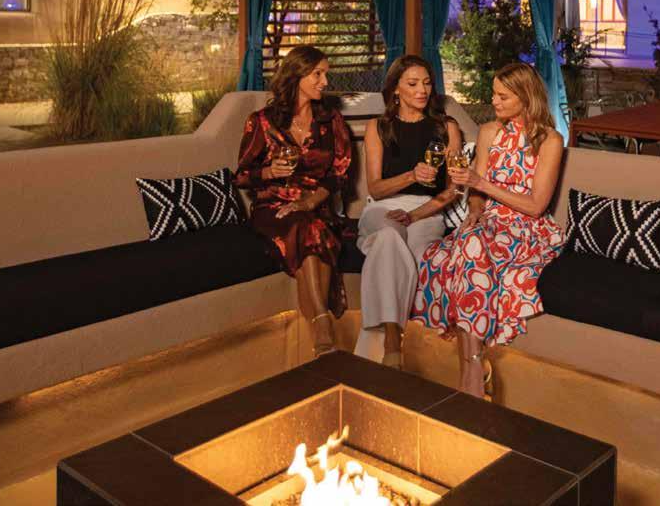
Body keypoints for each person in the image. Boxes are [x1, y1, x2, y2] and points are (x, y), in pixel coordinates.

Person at [411, 62, 565, 397]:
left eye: (503, 96)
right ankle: (474, 365)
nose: (494, 101)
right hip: (489, 223)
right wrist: (476, 211)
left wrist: (480, 184)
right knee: (449, 252)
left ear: (526, 97)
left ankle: (470, 370)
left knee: (465, 252)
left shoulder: (550, 141)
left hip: (526, 227)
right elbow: (476, 194)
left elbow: (536, 206)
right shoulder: (489, 132)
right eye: (494, 94)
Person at [234, 45, 351, 358]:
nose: (325, 82)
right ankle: (323, 323)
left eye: (326, 74)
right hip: (274, 208)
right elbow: (242, 176)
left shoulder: (330, 120)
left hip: (316, 204)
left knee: (310, 225)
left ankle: (319, 329)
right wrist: (270, 171)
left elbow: (340, 173)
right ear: (297, 75)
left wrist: (310, 201)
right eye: (318, 74)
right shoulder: (262, 122)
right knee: (307, 228)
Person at [354, 55, 462, 369]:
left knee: (414, 251)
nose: (422, 90)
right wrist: (411, 176)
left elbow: (453, 190)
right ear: (395, 90)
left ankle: (383, 351)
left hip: (427, 211)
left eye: (427, 83)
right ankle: (392, 343)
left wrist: (417, 215)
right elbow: (375, 189)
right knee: (389, 235)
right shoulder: (378, 127)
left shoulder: (446, 128)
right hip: (384, 207)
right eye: (413, 84)